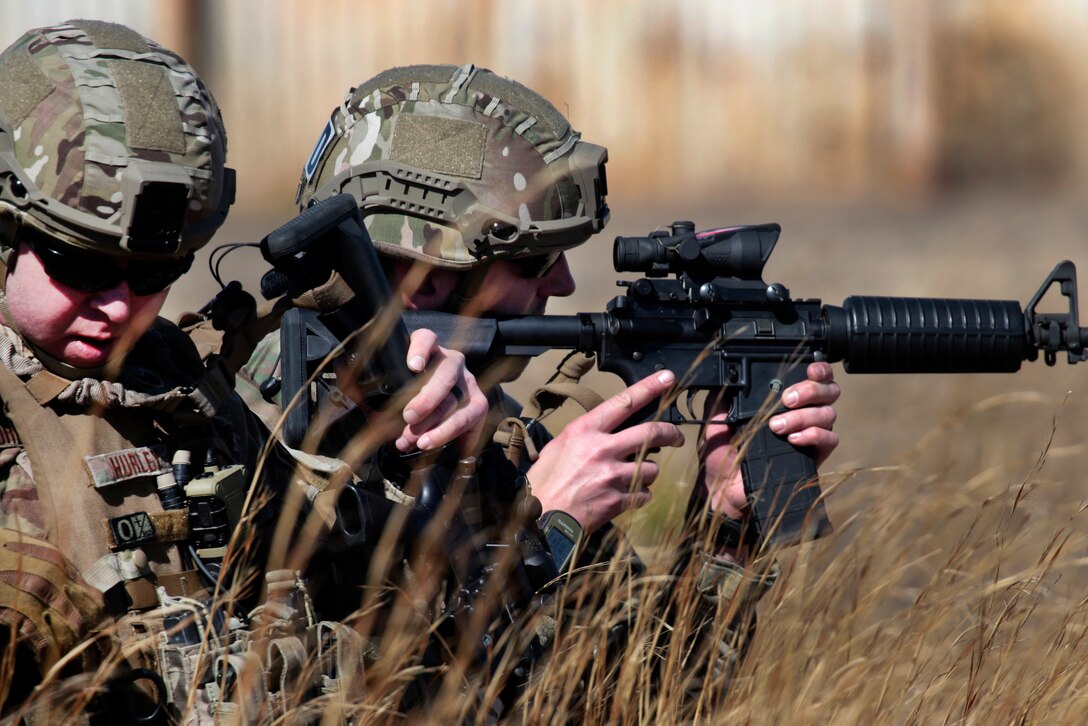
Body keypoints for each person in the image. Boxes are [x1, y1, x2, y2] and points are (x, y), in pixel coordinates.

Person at [234, 64, 840, 718]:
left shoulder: (502, 445)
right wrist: (545, 527)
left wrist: (725, 522)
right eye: (531, 261)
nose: (562, 286)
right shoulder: (259, 451)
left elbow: (650, 697)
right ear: (424, 279)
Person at [0, 22, 487, 721]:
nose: (118, 306)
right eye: (80, 264)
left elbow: (372, 597)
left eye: (155, 274)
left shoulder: (180, 385)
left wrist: (431, 457)